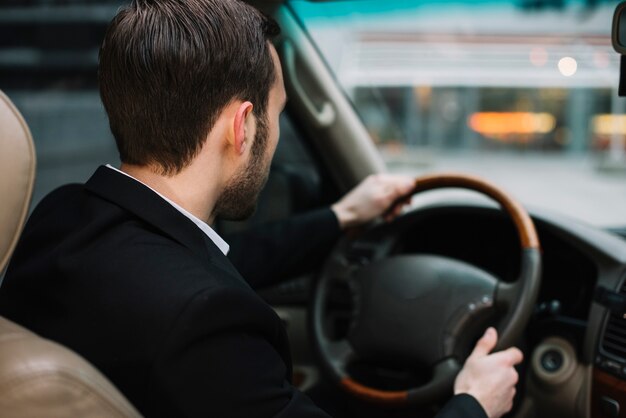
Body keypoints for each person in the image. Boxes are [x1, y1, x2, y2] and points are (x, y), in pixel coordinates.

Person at [0, 0, 522, 417]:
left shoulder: (64, 217)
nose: (270, 147)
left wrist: (341, 217)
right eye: (276, 116)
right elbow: (199, 292)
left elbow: (210, 263)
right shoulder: (202, 326)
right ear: (242, 126)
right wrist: (473, 402)